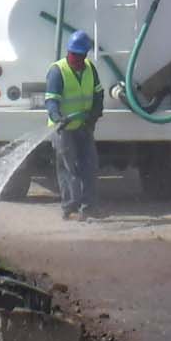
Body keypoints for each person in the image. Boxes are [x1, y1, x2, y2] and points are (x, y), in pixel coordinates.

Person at [46, 30, 103, 220]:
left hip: (84, 127)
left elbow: (98, 94)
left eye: (80, 55)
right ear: (68, 52)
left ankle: (89, 208)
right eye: (74, 55)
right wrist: (57, 117)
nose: (77, 59)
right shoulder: (57, 71)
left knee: (90, 166)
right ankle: (69, 208)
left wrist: (94, 114)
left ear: (85, 54)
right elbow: (51, 100)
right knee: (68, 169)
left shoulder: (90, 69)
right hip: (63, 129)